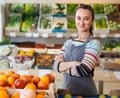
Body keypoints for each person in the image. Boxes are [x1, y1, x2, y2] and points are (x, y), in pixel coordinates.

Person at [52, 4, 101, 96]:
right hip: (66, 93)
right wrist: (74, 63)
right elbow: (54, 65)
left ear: (92, 21)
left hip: (86, 94)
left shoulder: (94, 43)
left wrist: (61, 67)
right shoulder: (68, 43)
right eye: (79, 18)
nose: (81, 22)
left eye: (86, 19)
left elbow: (82, 70)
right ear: (75, 19)